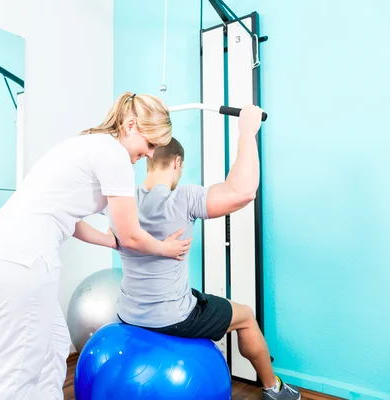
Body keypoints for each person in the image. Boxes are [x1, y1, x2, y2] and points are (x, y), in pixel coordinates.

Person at [0, 92, 191, 400]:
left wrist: (109, 241)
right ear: (131, 126)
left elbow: (71, 219)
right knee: (19, 366)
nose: (151, 153)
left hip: (7, 249)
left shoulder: (89, 144)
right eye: (151, 143)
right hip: (23, 257)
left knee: (54, 346)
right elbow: (131, 234)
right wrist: (164, 248)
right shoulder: (114, 155)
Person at [84, 105, 301, 400]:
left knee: (197, 295)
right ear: (176, 163)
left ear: (149, 159)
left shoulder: (122, 199)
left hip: (129, 312)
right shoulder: (182, 198)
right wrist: (247, 131)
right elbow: (243, 191)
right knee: (247, 316)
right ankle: (274, 389)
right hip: (173, 316)